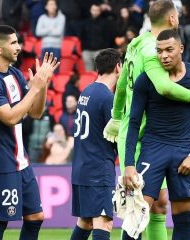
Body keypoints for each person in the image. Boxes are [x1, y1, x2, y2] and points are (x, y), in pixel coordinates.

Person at [103, 1, 190, 240]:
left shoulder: (136, 45)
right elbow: (164, 87)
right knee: (138, 208)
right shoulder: (153, 51)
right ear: (172, 19)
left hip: (149, 135)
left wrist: (116, 118)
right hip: (142, 137)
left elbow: (122, 88)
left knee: (159, 205)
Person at [124, 29, 190, 240]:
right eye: (159, 51)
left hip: (184, 153)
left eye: (169, 50)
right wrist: (129, 163)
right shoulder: (145, 80)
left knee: (183, 221)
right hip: (152, 151)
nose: (163, 55)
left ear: (181, 49)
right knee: (135, 219)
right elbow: (134, 123)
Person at [0, 25, 59, 240]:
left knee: (35, 217)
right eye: (13, 43)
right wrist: (35, 87)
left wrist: (43, 84)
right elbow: (10, 117)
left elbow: (36, 112)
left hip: (21, 162)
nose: (19, 47)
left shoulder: (15, 74)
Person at [70, 48, 121, 240]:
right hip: (98, 168)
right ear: (118, 67)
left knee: (86, 221)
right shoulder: (108, 98)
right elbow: (116, 137)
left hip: (82, 166)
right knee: (104, 222)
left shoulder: (87, 91)